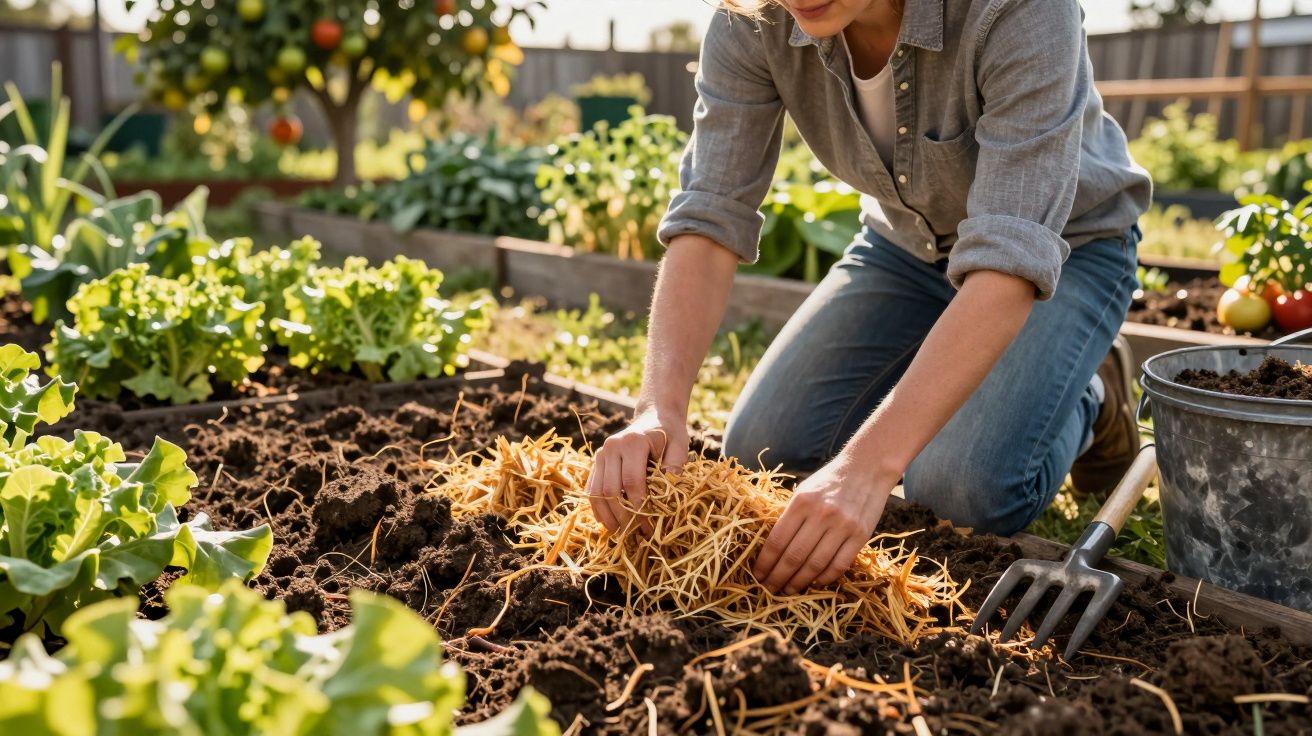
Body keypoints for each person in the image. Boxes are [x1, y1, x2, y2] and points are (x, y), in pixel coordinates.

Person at [585, 0, 1152, 597]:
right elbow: (709, 215)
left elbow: (1009, 261)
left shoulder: (1020, 9)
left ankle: (1092, 394)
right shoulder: (753, 14)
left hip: (1066, 248)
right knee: (763, 449)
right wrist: (658, 408)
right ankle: (971, 364)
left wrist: (867, 468)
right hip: (906, 248)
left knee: (956, 492)